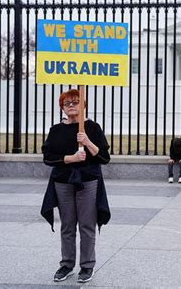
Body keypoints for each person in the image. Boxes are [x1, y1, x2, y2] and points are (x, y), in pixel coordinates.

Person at [40, 89, 111, 283]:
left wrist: (87, 141)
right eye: (67, 103)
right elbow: (48, 157)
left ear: (83, 105)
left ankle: (87, 266)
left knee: (87, 225)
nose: (71, 106)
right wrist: (69, 159)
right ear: (62, 108)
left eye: (75, 102)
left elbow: (104, 157)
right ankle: (67, 264)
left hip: (88, 180)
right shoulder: (56, 130)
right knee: (67, 225)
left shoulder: (92, 127)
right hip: (63, 180)